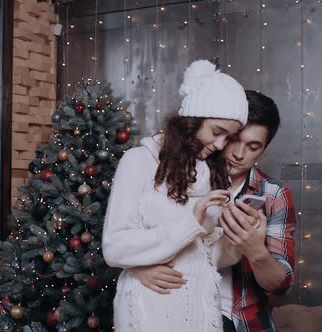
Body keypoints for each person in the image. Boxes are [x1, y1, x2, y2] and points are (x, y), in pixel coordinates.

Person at [129, 90, 296, 332]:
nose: (239, 154)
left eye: (252, 146)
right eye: (233, 140)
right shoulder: (180, 177)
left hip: (241, 323)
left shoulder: (273, 194)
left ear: (263, 149)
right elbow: (129, 237)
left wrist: (255, 251)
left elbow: (280, 285)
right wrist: (139, 269)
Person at [102, 59, 249, 331]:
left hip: (201, 311)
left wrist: (240, 238)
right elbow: (115, 247)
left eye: (228, 137)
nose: (220, 145)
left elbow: (208, 256)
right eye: (217, 132)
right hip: (151, 310)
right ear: (192, 120)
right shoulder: (139, 162)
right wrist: (190, 222)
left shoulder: (212, 172)